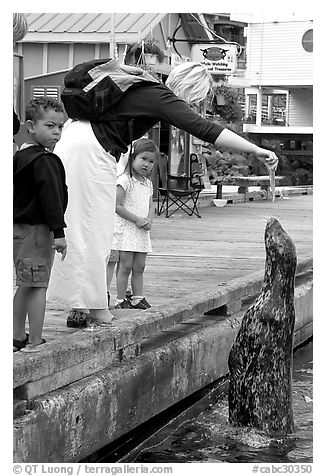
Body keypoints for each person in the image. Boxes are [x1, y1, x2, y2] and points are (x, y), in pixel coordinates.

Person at [48, 61, 278, 326]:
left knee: (81, 224)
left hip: (75, 139)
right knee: (95, 229)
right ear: (191, 89)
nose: (195, 105)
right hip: (91, 149)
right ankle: (95, 306)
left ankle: (82, 304)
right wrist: (254, 149)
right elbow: (204, 129)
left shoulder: (145, 88)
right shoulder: (161, 97)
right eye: (197, 98)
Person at [13, 97, 68, 352]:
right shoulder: (45, 161)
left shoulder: (20, 157)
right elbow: (51, 199)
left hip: (19, 230)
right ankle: (35, 340)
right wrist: (59, 233)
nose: (56, 132)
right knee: (37, 286)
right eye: (50, 126)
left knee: (25, 284)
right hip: (37, 231)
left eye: (60, 127)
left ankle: (16, 336)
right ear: (31, 126)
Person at [112, 138, 157, 310]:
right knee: (125, 266)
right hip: (128, 229)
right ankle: (120, 299)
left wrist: (149, 220)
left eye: (151, 161)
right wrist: (136, 219)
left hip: (142, 230)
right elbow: (117, 206)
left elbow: (150, 204)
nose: (146, 164)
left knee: (140, 266)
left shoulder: (148, 183)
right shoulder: (125, 180)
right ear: (132, 157)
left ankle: (137, 297)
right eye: (143, 158)